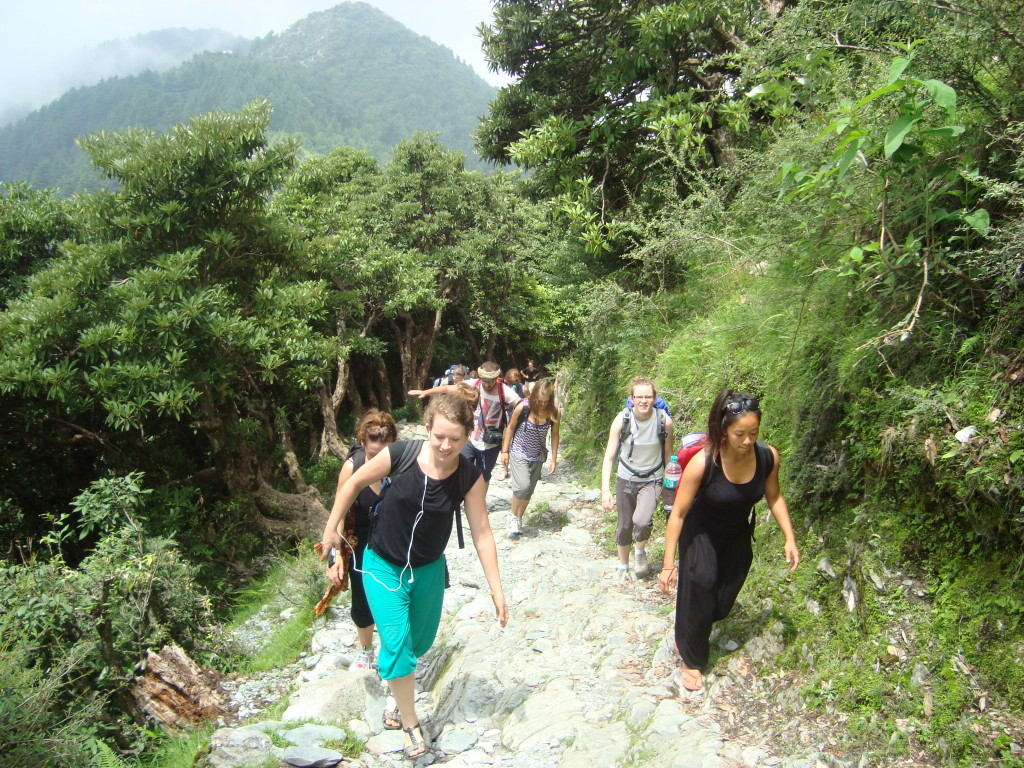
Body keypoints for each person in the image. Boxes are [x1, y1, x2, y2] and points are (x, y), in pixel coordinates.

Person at [319, 387, 508, 758]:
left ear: (468, 435)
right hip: (381, 565)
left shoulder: (469, 476)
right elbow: (354, 482)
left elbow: (482, 533)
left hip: (427, 569)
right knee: (397, 644)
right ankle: (410, 723)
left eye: (454, 439)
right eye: (439, 436)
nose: (445, 446)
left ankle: (396, 685)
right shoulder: (400, 454)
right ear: (426, 428)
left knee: (419, 642)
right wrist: (331, 531)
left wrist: (497, 590)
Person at [658, 388, 799, 693]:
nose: (747, 440)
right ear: (723, 432)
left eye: (753, 433)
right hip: (700, 533)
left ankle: (694, 621)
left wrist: (790, 537)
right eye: (739, 434)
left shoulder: (767, 457)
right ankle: (692, 658)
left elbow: (774, 497)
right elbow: (679, 514)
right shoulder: (703, 462)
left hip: (736, 534)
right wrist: (669, 565)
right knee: (701, 586)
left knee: (719, 605)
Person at [325, 409, 399, 670]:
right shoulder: (352, 466)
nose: (377, 460)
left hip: (392, 539)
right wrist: (336, 556)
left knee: (394, 595)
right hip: (362, 540)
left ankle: (395, 649)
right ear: (362, 443)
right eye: (372, 454)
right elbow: (340, 511)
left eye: (384, 455)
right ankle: (366, 649)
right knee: (362, 596)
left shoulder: (402, 464)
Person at [601, 376, 674, 580]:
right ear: (632, 398)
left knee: (642, 521)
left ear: (654, 398)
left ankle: (640, 553)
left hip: (652, 478)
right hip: (625, 478)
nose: (644, 401)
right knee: (624, 524)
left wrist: (671, 487)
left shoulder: (664, 422)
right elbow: (609, 458)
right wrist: (605, 490)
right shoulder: (621, 420)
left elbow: (668, 456)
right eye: (639, 397)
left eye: (648, 397)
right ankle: (623, 565)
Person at [409, 361, 522, 491]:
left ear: (496, 379)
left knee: (483, 475)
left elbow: (520, 404)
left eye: (490, 381)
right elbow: (448, 389)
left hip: (490, 443)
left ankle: (480, 501)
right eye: (484, 380)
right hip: (469, 439)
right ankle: (460, 497)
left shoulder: (504, 391)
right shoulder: (473, 385)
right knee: (460, 469)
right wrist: (426, 392)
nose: (486, 384)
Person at [500, 378, 560, 537]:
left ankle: (518, 519)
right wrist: (504, 451)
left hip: (537, 455)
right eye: (539, 401)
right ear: (533, 397)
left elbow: (555, 435)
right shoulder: (523, 407)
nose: (542, 404)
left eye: (545, 401)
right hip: (518, 451)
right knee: (523, 486)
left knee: (529, 491)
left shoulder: (554, 411)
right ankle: (513, 515)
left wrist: (554, 459)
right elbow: (511, 427)